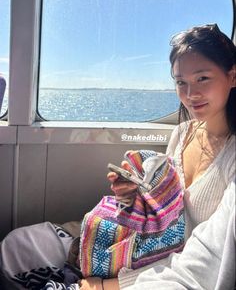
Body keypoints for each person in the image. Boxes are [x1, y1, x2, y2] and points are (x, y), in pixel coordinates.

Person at [0, 24, 235, 290]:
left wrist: (105, 285)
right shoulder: (182, 134)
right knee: (16, 246)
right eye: (181, 82)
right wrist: (132, 196)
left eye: (202, 78)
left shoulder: (232, 160)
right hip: (140, 241)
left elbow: (202, 262)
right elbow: (159, 207)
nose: (191, 94)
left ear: (233, 76)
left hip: (165, 267)